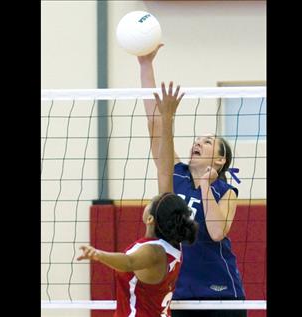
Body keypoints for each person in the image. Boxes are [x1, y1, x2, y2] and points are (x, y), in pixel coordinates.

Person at [138, 45, 246, 317]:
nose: (198, 142)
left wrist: (206, 186)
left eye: (208, 142)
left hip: (221, 295)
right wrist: (145, 64)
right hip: (180, 293)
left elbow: (217, 232)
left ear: (220, 160)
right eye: (197, 139)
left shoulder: (226, 191)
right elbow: (155, 126)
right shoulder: (175, 173)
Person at [77, 83, 198, 317]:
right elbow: (165, 170)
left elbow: (128, 262)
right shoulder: (171, 244)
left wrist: (98, 254)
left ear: (151, 218)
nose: (151, 199)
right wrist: (167, 118)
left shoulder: (154, 251)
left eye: (151, 201)